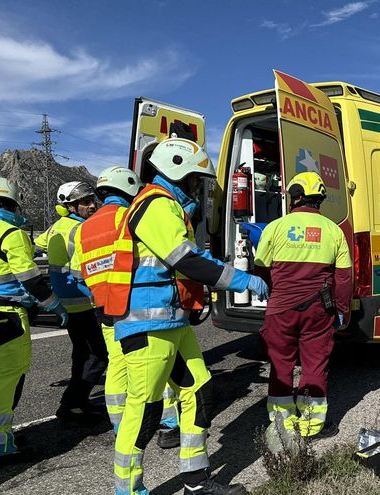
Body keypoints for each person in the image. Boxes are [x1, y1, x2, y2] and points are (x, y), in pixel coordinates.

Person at [103, 138, 267, 495]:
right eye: (195, 179)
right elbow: (187, 260)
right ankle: (128, 490)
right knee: (144, 411)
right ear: (178, 172)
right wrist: (243, 280)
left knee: (199, 392)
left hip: (169, 321)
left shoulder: (168, 207)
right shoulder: (157, 204)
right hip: (148, 324)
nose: (197, 187)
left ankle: (196, 481)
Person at [72, 166, 180, 447]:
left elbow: (78, 274)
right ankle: (168, 423)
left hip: (104, 308)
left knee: (117, 365)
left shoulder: (83, 229)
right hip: (137, 304)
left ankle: (122, 427)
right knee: (157, 363)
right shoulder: (132, 216)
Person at [0, 178, 67, 468]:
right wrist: (55, 306)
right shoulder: (11, 233)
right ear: (12, 203)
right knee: (8, 379)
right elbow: (31, 280)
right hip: (7, 316)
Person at [253, 171, 353, 441]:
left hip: (280, 310)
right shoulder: (334, 231)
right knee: (314, 365)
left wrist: (275, 294)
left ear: (295, 197)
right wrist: (341, 310)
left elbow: (260, 269)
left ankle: (281, 426)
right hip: (319, 311)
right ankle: (310, 427)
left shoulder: (275, 227)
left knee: (280, 365)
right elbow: (344, 278)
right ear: (318, 199)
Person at [36, 181, 109, 423]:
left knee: (82, 355)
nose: (92, 205)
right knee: (98, 356)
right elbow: (85, 270)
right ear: (70, 206)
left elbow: (37, 245)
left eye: (92, 200)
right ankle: (71, 405)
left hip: (66, 303)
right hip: (83, 302)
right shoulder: (82, 230)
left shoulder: (57, 227)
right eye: (85, 202)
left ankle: (78, 404)